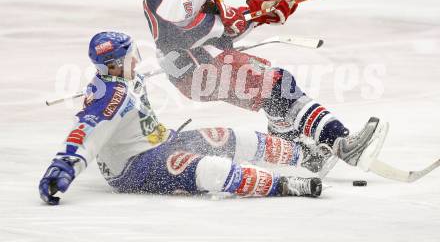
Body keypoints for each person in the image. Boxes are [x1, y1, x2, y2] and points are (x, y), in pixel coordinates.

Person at [141, 0, 388, 172]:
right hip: (195, 67)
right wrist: (235, 20)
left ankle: (300, 155)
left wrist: (260, 14)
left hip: (193, 65)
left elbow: (216, 28)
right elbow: (177, 30)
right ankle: (341, 143)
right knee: (277, 85)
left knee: (271, 89)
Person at [39, 31, 329, 206]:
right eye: (131, 57)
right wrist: (61, 169)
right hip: (135, 167)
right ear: (114, 65)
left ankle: (307, 156)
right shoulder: (109, 98)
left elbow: (166, 67)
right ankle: (287, 185)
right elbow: (83, 134)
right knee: (214, 169)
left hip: (162, 142)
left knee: (232, 137)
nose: (137, 61)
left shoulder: (125, 77)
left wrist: (191, 59)